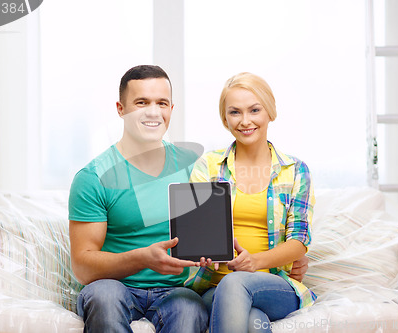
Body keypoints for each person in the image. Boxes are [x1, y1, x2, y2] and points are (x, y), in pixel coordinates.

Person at [68, 65, 209, 333]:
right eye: (141, 102)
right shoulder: (94, 177)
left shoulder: (195, 169)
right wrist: (143, 258)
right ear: (121, 109)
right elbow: (84, 268)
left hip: (176, 288)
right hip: (113, 284)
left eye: (162, 103)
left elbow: (218, 231)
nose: (153, 112)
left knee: (190, 309)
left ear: (171, 108)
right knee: (104, 298)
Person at [186, 72, 316, 332]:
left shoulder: (295, 170)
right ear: (225, 119)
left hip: (273, 284)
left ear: (269, 112)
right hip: (215, 285)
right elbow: (195, 234)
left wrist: (254, 262)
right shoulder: (209, 166)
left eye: (254, 110)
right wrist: (201, 251)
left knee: (236, 283)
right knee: (253, 322)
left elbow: (299, 241)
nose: (245, 121)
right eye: (235, 112)